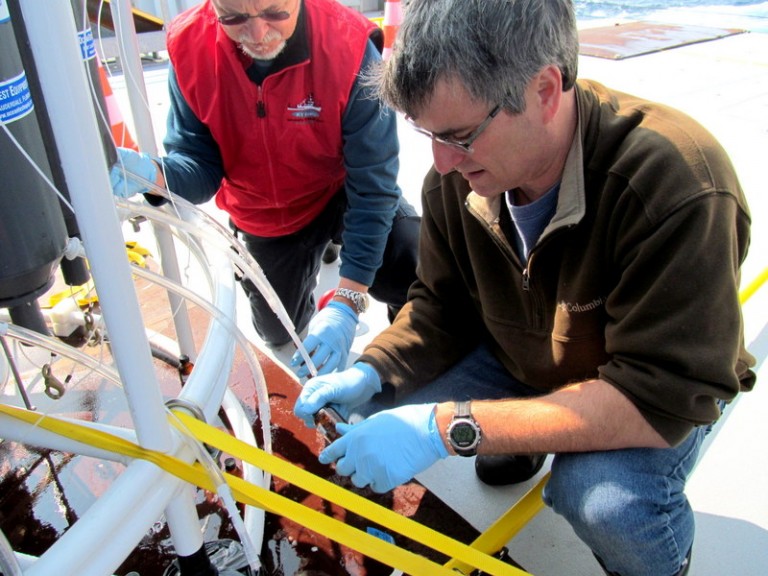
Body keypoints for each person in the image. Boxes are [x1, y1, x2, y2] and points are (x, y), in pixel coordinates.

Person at [293, 1, 756, 574]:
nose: (440, 164)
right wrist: (371, 370)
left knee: (603, 500)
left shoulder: (678, 183)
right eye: (428, 134)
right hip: (522, 351)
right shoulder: (455, 178)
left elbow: (658, 394)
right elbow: (439, 307)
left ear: (544, 89)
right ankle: (519, 436)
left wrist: (450, 427)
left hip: (641, 386)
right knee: (374, 403)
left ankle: (663, 561)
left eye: (460, 136)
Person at [109, 0, 419, 376]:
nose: (256, 35)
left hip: (338, 191)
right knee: (277, 333)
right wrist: (154, 175)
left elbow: (373, 186)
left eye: (274, 13)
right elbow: (199, 166)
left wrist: (348, 300)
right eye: (234, 18)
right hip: (263, 214)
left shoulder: (349, 48)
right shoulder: (188, 47)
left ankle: (409, 368)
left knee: (414, 264)